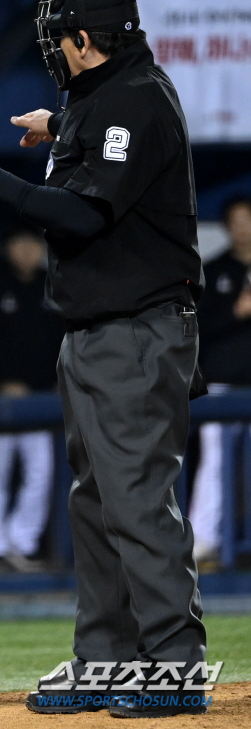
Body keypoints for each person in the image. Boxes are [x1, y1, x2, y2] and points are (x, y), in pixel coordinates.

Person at [0, 0, 207, 718]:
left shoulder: (133, 98)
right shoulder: (103, 98)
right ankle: (105, 661)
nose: (53, 52)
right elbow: (111, 149)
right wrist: (59, 131)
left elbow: (87, 215)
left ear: (84, 41)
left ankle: (175, 668)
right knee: (94, 506)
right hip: (97, 333)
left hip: (136, 331)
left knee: (135, 505)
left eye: (58, 38)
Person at [0, 227, 62, 571]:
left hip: (40, 396)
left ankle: (20, 542)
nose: (27, 251)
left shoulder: (52, 283)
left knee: (39, 471)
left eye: (33, 244)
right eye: (20, 243)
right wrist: (2, 382)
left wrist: (56, 381)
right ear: (7, 246)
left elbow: (62, 337)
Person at [190, 197, 251, 563]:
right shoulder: (212, 271)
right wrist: (237, 311)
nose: (243, 227)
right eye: (237, 220)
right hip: (224, 383)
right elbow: (197, 327)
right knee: (214, 463)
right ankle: (203, 542)